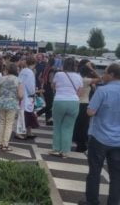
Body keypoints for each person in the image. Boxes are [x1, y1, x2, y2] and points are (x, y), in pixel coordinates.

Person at [78, 63, 120, 205]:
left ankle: (92, 201)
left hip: (99, 136)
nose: (103, 75)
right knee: (116, 175)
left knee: (95, 171)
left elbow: (90, 111)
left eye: (106, 72)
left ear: (112, 75)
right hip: (118, 139)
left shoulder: (103, 91)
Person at [49, 57, 83, 158]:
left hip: (59, 100)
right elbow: (79, 93)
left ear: (64, 64)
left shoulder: (59, 74)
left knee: (57, 126)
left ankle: (56, 149)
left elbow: (53, 86)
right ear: (75, 66)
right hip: (74, 102)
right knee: (68, 127)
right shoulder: (79, 77)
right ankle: (65, 151)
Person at [0, 63, 24, 151]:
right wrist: (19, 98)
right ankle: (5, 144)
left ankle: (0, 143)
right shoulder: (18, 80)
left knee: (2, 123)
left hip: (1, 103)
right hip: (12, 104)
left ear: (7, 70)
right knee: (9, 124)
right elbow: (20, 95)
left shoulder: (2, 79)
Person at [73, 60, 101, 152]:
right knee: (83, 126)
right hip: (84, 103)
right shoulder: (86, 80)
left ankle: (78, 143)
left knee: (77, 125)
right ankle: (82, 145)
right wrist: (92, 69)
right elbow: (100, 78)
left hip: (76, 102)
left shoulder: (77, 79)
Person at [19, 56, 39, 139]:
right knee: (27, 115)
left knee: (24, 114)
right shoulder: (30, 72)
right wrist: (34, 92)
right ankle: (22, 132)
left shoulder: (22, 71)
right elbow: (30, 86)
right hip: (28, 96)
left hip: (22, 94)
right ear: (34, 64)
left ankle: (28, 131)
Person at [36, 57, 56, 126]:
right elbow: (51, 80)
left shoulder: (45, 68)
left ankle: (48, 120)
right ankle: (38, 114)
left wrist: (43, 82)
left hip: (44, 87)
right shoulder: (52, 70)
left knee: (48, 104)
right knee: (49, 105)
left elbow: (39, 77)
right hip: (49, 88)